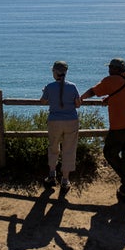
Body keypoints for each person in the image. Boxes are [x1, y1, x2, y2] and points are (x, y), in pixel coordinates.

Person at [80, 57, 125, 202]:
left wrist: (80, 98)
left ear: (114, 69)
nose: (108, 70)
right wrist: (111, 98)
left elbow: (93, 91)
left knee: (109, 153)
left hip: (120, 127)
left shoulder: (110, 80)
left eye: (110, 68)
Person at [40, 60, 81, 191]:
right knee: (69, 150)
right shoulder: (73, 86)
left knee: (53, 148)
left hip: (54, 121)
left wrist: (45, 92)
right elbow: (78, 104)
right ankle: (65, 180)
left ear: (55, 72)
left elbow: (43, 101)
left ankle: (52, 176)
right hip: (71, 121)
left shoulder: (49, 86)